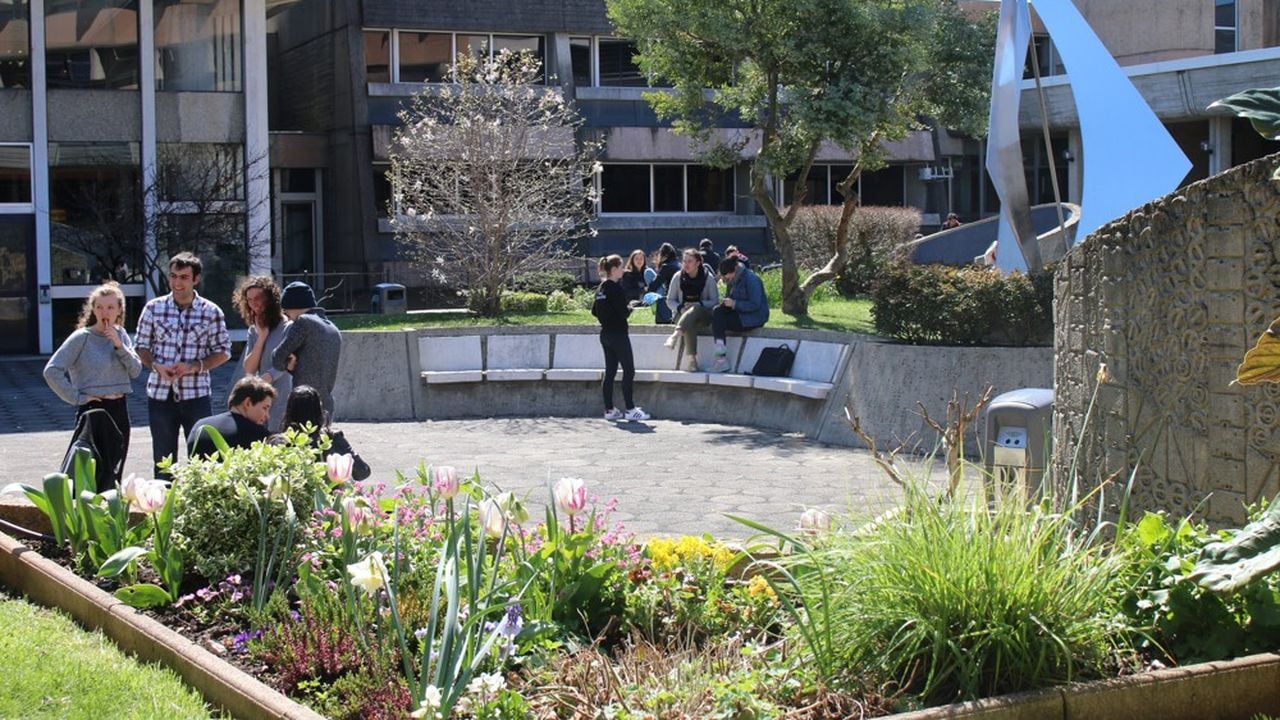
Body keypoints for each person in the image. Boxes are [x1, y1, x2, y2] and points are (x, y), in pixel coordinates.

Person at [135, 252, 231, 479]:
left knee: (203, 457)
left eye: (184, 277)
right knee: (163, 460)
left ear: (195, 279)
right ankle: (164, 506)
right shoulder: (153, 308)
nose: (177, 283)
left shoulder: (211, 311)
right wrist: (155, 365)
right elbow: (140, 345)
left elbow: (224, 351)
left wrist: (194, 366)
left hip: (195, 394)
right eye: (173, 276)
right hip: (160, 394)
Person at [43, 281, 143, 484]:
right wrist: (77, 397)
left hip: (119, 408)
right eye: (99, 307)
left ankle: (111, 514)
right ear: (93, 309)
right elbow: (51, 371)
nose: (104, 312)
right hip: (94, 409)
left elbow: (135, 370)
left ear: (119, 310)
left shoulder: (122, 335)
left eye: (110, 307)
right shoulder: (82, 338)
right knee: (92, 473)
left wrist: (118, 344)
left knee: (114, 472)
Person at [271, 281, 343, 421]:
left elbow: (277, 359)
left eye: (285, 309)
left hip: (304, 404)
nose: (286, 314)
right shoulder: (333, 329)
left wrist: (288, 364)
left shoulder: (304, 322)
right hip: (326, 404)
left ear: (292, 306)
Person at [592, 255, 650, 422]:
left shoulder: (601, 288)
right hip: (619, 334)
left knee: (610, 371)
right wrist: (630, 308)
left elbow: (594, 311)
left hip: (605, 335)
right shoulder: (615, 288)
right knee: (629, 370)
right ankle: (630, 409)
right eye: (621, 267)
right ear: (614, 269)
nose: (623, 270)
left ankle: (609, 409)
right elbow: (622, 312)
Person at [231, 276, 291, 432]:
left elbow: (286, 363)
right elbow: (249, 368)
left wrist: (263, 381)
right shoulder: (254, 330)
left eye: (258, 298)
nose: (254, 304)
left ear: (270, 299)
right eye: (249, 300)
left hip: (282, 394)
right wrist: (262, 336)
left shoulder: (288, 328)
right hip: (260, 397)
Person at [275, 384, 371, 481]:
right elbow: (362, 472)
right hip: (327, 494)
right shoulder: (332, 439)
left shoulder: (280, 442)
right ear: (319, 409)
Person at [188, 376, 275, 459]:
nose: (267, 416)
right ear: (247, 403)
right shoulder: (257, 434)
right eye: (265, 408)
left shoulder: (200, 426)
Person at [662, 248, 719, 371]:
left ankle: (676, 335)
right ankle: (692, 361)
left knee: (695, 309)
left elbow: (715, 301)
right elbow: (669, 300)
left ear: (698, 263)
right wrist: (681, 307)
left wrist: (698, 303)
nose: (686, 264)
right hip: (681, 314)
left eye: (690, 261)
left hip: (703, 315)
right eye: (684, 261)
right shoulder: (678, 277)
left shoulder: (708, 278)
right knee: (689, 322)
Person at [711, 257, 770, 372]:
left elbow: (755, 304)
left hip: (754, 317)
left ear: (734, 271)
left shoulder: (751, 279)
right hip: (740, 313)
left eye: (726, 276)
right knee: (717, 312)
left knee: (719, 322)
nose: (725, 279)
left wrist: (734, 304)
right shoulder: (733, 280)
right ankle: (720, 358)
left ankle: (720, 360)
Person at [646, 243, 680, 324]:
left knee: (648, 273)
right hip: (679, 295)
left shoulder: (666, 266)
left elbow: (655, 284)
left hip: (670, 295)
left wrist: (647, 289)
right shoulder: (678, 264)